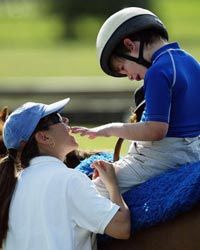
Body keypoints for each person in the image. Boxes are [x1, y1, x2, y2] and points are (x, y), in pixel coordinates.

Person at [72, 7, 200, 197]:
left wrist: (110, 129)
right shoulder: (191, 62)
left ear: (130, 45)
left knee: (91, 192)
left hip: (162, 157)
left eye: (122, 68)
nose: (129, 77)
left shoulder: (158, 71)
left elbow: (156, 130)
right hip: (194, 150)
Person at [0, 98, 130, 250]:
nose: (66, 120)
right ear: (44, 137)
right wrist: (112, 185)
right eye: (58, 118)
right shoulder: (70, 179)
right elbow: (121, 227)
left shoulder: (11, 187)